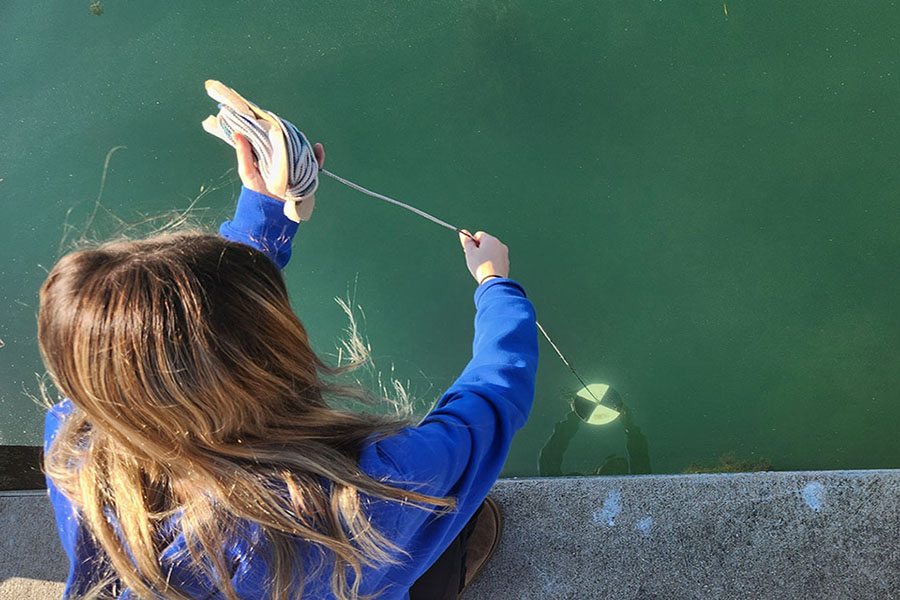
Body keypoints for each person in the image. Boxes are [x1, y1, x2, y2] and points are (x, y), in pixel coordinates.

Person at [39, 133, 539, 600]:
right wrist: (495, 284)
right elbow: (492, 400)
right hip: (348, 557)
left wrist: (268, 211)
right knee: (444, 516)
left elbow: (186, 337)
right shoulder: (361, 492)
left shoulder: (73, 443)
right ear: (269, 353)